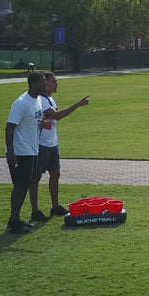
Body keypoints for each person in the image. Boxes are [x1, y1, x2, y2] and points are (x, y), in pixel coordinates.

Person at [28, 72, 90, 222]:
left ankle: (55, 207)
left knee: (55, 174)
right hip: (41, 145)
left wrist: (46, 124)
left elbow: (50, 122)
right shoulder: (42, 100)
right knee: (35, 178)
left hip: (52, 143)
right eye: (54, 82)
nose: (57, 84)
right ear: (46, 84)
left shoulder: (50, 99)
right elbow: (56, 116)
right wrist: (78, 104)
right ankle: (35, 211)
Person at [5, 72, 46, 234]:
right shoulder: (21, 103)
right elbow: (9, 127)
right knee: (20, 186)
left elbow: (30, 121)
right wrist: (11, 153)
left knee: (26, 184)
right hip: (21, 152)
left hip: (32, 150)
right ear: (34, 83)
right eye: (43, 81)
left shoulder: (37, 101)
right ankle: (13, 222)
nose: (45, 84)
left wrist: (39, 124)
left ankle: (15, 220)